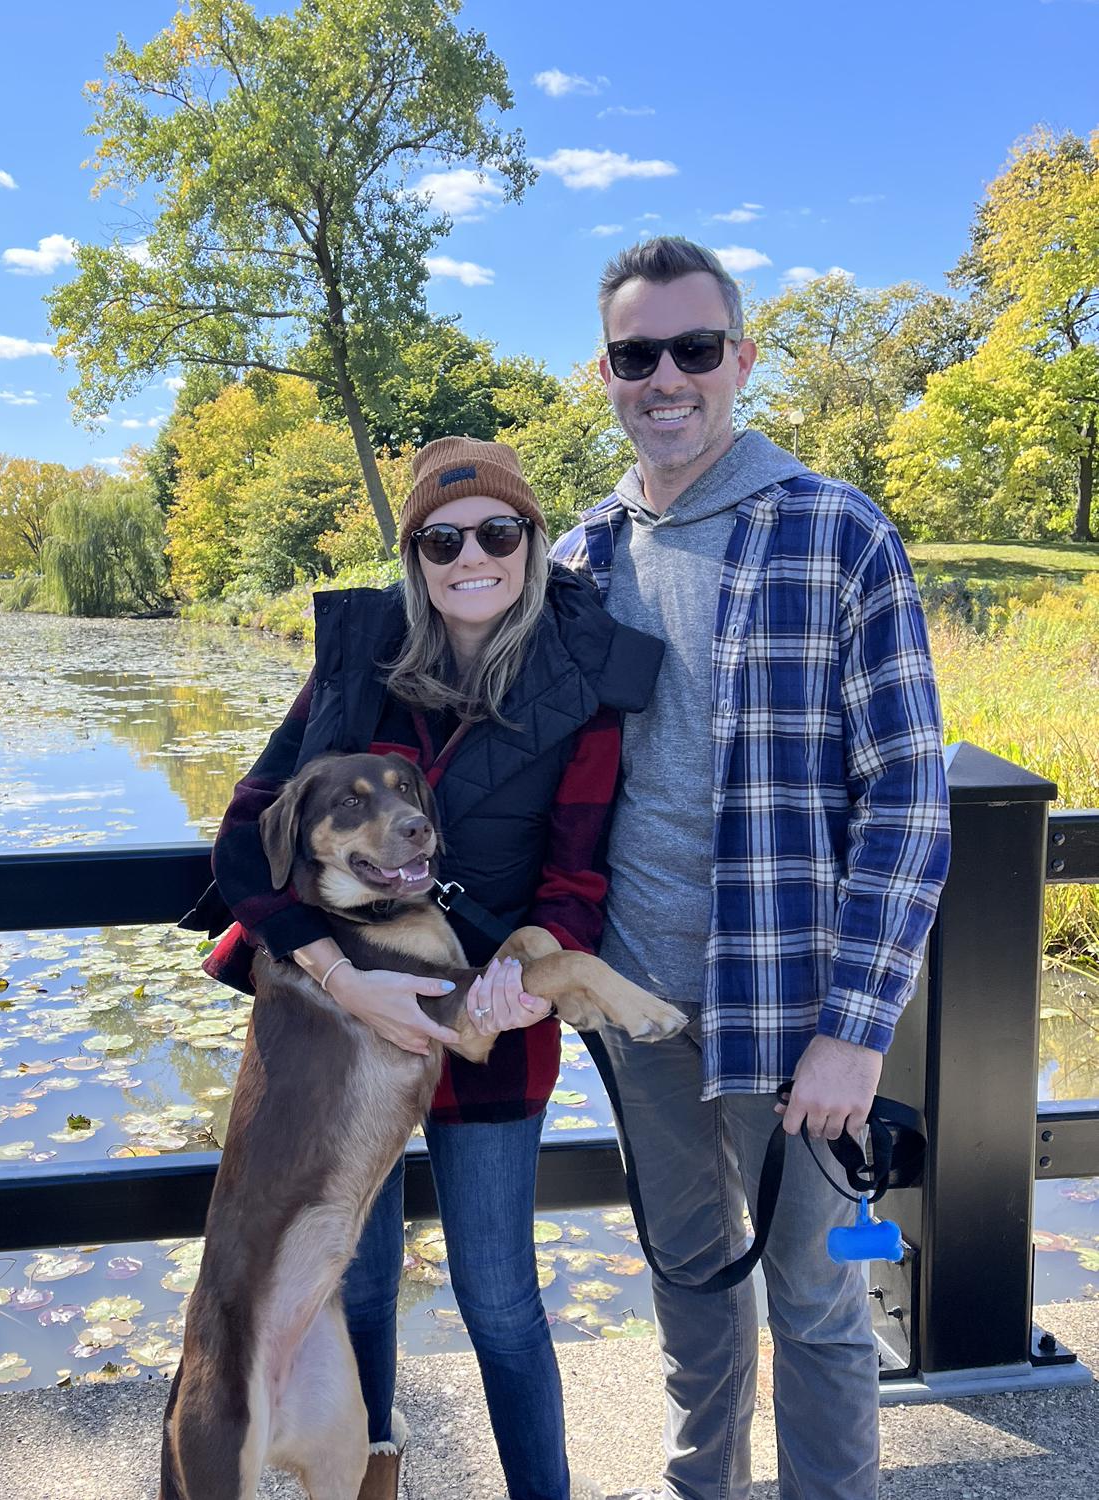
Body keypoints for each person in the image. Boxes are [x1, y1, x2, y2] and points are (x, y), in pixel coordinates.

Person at [550, 238, 951, 1500]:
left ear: (741, 359)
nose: (665, 377)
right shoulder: (579, 559)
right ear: (605, 372)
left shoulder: (839, 533)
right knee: (689, 1290)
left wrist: (858, 1029)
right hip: (636, 1003)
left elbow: (910, 796)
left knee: (819, 1309)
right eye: (636, 354)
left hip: (793, 1012)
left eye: (694, 348)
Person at [203, 436, 662, 1500]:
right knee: (354, 1297)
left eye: (498, 533)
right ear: (414, 556)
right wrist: (336, 975)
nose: (472, 556)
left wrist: (526, 970)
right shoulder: (360, 659)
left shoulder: (587, 679)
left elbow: (576, 878)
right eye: (441, 538)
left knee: (499, 1300)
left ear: (532, 543)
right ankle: (371, 1487)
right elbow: (245, 835)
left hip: (493, 1017)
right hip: (337, 1041)